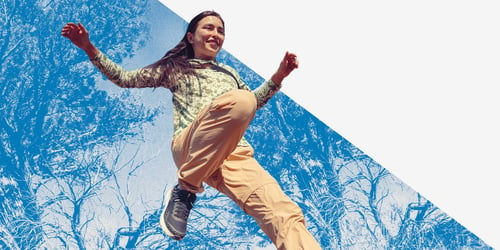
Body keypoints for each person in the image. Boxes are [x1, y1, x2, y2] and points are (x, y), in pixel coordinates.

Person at [62, 10, 321, 249]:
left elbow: (253, 103)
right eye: (209, 28)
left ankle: (189, 189)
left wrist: (279, 75)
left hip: (235, 156)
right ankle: (185, 189)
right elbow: (124, 78)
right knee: (241, 101)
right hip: (191, 145)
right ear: (191, 36)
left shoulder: (229, 73)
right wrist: (89, 48)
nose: (216, 34)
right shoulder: (175, 68)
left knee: (285, 214)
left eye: (221, 30)